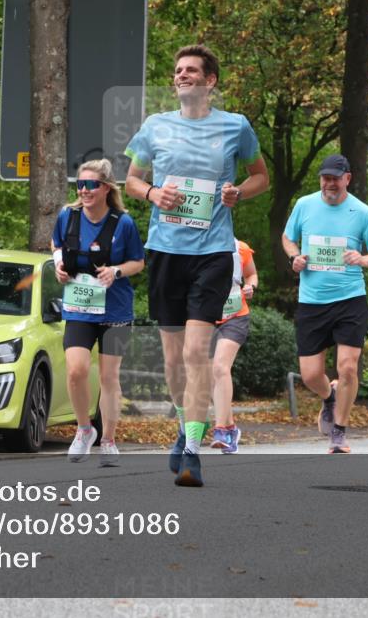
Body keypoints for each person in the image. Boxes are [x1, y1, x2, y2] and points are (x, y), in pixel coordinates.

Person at [124, 44, 269, 486]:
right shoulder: (155, 126)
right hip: (167, 251)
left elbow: (260, 176)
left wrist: (238, 193)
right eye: (178, 70)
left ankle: (192, 450)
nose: (182, 75)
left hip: (212, 252)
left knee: (195, 353)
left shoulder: (235, 126)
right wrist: (152, 194)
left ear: (210, 81)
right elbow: (130, 180)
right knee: (172, 361)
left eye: (191, 70)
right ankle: (185, 428)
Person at [281, 154, 368, 454]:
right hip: (312, 300)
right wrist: (295, 257)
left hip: (349, 300)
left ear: (347, 178)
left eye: (335, 178)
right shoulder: (305, 205)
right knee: (309, 374)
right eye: (325, 178)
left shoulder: (362, 211)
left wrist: (364, 259)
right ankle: (328, 398)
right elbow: (287, 238)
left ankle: (340, 433)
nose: (330, 183)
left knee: (347, 367)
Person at [50, 159, 145, 466]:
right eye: (80, 184)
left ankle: (108, 439)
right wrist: (58, 267)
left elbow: (138, 262)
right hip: (79, 307)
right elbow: (55, 245)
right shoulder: (69, 216)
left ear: (106, 188)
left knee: (108, 376)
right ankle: (83, 430)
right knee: (76, 370)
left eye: (91, 185)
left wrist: (116, 271)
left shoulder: (123, 223)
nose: (84, 190)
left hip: (115, 309)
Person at [209, 238, 257, 454]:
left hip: (236, 315)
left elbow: (252, 275)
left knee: (220, 367)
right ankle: (231, 428)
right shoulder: (196, 244)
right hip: (206, 316)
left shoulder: (241, 248)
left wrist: (250, 286)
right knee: (212, 376)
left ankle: (220, 430)